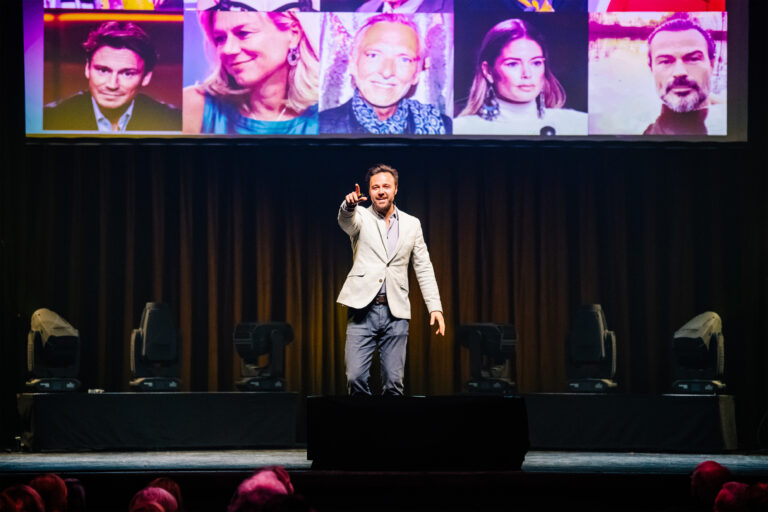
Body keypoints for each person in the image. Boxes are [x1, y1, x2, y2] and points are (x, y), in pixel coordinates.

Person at [337, 164, 445, 396]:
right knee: (355, 378)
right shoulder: (360, 216)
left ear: (395, 189)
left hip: (396, 312)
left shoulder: (412, 224)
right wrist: (349, 205)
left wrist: (435, 307)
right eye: (375, 187)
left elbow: (423, 267)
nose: (381, 191)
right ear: (369, 191)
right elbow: (346, 222)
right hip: (362, 309)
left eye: (386, 186)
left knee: (394, 384)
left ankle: (389, 421)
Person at [183, 11, 319, 134]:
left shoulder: (325, 117)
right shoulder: (194, 105)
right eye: (220, 38)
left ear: (293, 34)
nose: (227, 49)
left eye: (243, 33)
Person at [319, 14, 450, 135]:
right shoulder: (319, 127)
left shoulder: (442, 127)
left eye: (404, 59)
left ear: (416, 73)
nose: (387, 72)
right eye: (373, 55)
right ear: (353, 64)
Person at [454, 18, 587, 136]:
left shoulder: (578, 124)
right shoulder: (462, 129)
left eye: (536, 63)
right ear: (488, 71)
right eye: (513, 64)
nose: (527, 74)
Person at [44, 21, 181, 132]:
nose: (112, 85)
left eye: (127, 73)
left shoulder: (173, 121)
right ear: (87, 69)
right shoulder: (50, 118)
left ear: (146, 78)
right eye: (103, 71)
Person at [643, 15, 725, 135]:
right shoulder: (635, 118)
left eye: (693, 59)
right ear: (651, 68)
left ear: (712, 64)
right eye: (665, 61)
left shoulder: (732, 115)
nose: (679, 72)